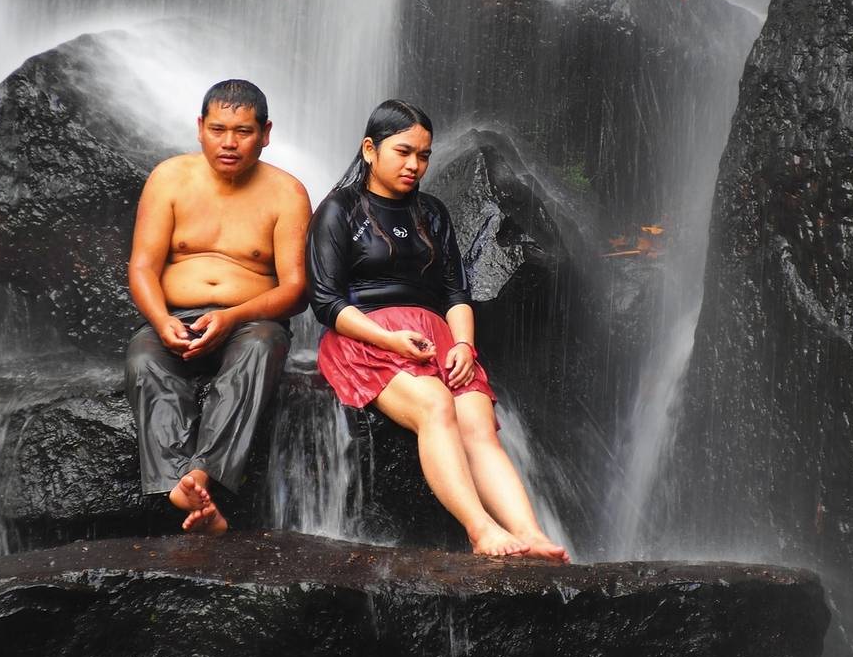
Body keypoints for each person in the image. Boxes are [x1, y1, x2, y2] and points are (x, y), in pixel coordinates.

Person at [307, 99, 569, 562]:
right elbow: (326, 302)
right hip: (363, 337)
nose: (415, 165)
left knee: (478, 421)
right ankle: (480, 528)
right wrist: (387, 339)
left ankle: (530, 532)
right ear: (370, 149)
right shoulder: (339, 209)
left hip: (435, 336)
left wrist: (465, 345)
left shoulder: (432, 213)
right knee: (435, 404)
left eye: (424, 155)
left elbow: (455, 293)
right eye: (403, 152)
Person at [125, 79, 311, 534]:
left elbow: (297, 289)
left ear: (266, 133)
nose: (229, 143)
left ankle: (199, 477)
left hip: (252, 321)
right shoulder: (168, 178)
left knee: (261, 347)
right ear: (200, 128)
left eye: (244, 131)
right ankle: (181, 483)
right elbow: (143, 268)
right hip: (176, 317)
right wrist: (161, 320)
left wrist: (232, 317)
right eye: (218, 129)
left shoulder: (287, 193)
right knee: (144, 356)